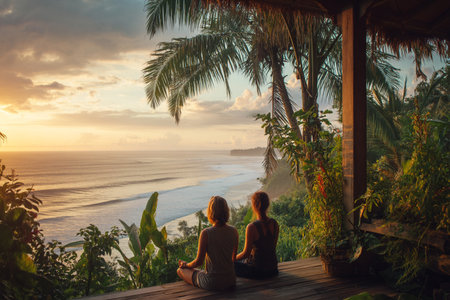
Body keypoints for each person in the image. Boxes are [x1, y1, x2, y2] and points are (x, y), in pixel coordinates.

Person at [177, 196, 238, 290]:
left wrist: (186, 265)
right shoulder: (234, 231)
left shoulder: (206, 233)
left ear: (211, 212)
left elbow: (199, 262)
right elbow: (233, 258)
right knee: (197, 271)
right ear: (226, 211)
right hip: (230, 280)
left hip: (212, 282)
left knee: (180, 270)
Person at [234, 191, 279, 278]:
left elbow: (245, 254)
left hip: (257, 271)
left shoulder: (252, 227)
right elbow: (272, 247)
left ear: (254, 206)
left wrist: (233, 259)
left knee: (232, 264)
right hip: (273, 270)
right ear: (267, 205)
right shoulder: (274, 223)